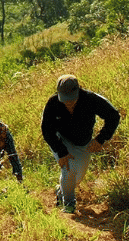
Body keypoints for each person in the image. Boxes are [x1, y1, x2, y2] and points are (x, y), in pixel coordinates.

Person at [41, 74, 120, 214]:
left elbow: (113, 115)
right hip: (61, 139)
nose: (68, 103)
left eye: (71, 100)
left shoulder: (91, 99)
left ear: (78, 90)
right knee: (68, 168)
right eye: (64, 100)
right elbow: (47, 130)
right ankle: (69, 205)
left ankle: (62, 190)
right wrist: (61, 151)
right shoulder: (53, 103)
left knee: (78, 176)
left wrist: (101, 139)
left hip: (83, 142)